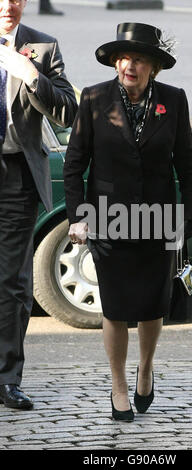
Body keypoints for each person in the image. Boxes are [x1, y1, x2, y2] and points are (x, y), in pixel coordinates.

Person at [63, 22, 192, 421]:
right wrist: (77, 216)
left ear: (153, 67)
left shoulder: (173, 101)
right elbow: (74, 165)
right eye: (123, 58)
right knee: (116, 308)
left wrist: (188, 215)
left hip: (158, 220)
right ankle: (119, 383)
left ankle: (145, 368)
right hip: (108, 219)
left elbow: (187, 165)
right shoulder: (93, 98)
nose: (129, 65)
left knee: (152, 307)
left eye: (138, 58)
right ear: (115, 62)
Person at [0, 0, 77, 410]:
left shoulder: (42, 49)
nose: (9, 4)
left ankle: (6, 378)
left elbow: (67, 112)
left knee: (12, 283)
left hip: (17, 175)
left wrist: (30, 75)